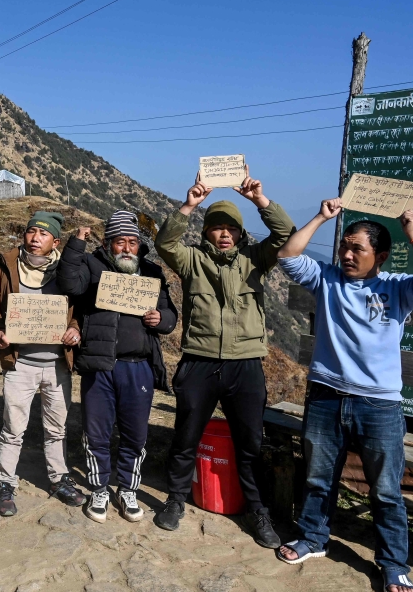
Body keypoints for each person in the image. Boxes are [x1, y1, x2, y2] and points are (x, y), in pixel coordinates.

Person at [276, 200, 413, 592]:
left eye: (358, 249)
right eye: (345, 247)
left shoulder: (398, 289)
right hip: (325, 395)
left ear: (381, 256)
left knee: (386, 490)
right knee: (319, 478)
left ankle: (392, 564)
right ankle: (313, 539)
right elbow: (288, 255)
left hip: (379, 404)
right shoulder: (327, 279)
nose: (348, 255)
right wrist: (322, 218)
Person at [152, 168, 295, 548]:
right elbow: (165, 244)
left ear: (241, 232)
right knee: (185, 437)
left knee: (250, 442)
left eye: (231, 227)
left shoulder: (256, 258)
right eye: (216, 227)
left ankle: (257, 510)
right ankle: (176, 500)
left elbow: (286, 236)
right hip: (199, 362)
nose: (225, 233)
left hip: (245, 364)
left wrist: (259, 200)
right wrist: (188, 206)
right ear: (206, 232)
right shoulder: (192, 261)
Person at [57, 211, 177, 524]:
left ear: (140, 245)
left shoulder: (152, 271)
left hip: (139, 367)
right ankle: (98, 488)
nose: (126, 248)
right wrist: (76, 245)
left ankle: (127, 489)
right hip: (100, 364)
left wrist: (160, 320)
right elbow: (68, 283)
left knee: (135, 434)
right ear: (109, 244)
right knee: (95, 432)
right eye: (119, 241)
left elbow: (170, 315)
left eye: (132, 242)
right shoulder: (91, 264)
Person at [0, 211, 86, 517]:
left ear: (55, 241)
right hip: (20, 363)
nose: (34, 238)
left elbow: (81, 311)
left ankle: (59, 479)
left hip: (57, 364)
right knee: (13, 427)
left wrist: (75, 330)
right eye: (31, 231)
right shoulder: (6, 268)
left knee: (57, 428)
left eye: (43, 234)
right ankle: (5, 482)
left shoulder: (67, 272)